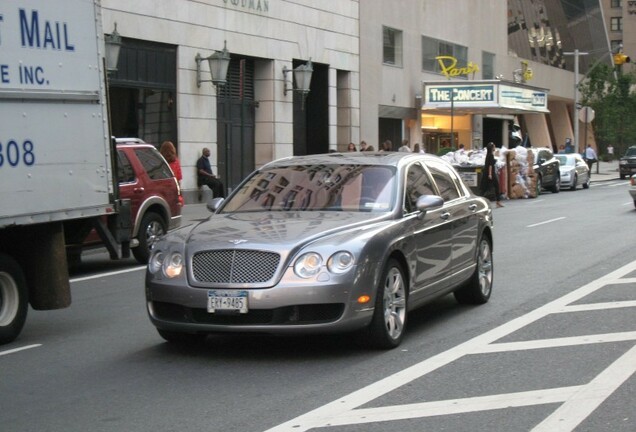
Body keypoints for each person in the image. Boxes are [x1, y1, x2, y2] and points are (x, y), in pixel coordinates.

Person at [480, 142, 503, 208]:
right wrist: (490, 174)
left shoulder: (488, 155)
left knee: (484, 188)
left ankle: (497, 202)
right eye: (494, 146)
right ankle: (498, 202)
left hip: (487, 173)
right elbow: (490, 165)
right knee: (496, 186)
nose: (495, 148)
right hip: (490, 173)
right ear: (492, 148)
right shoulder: (491, 155)